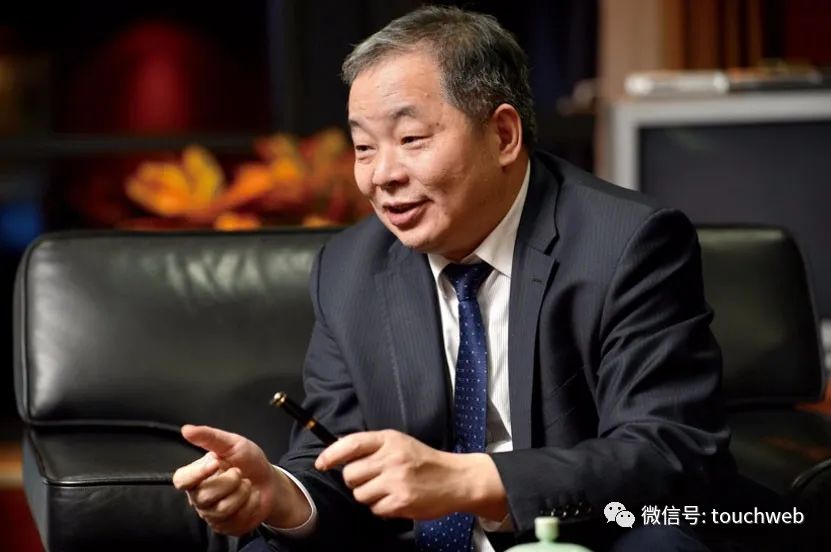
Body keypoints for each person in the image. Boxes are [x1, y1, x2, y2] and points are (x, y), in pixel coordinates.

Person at [173, 6, 740, 551]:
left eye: (411, 140)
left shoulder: (625, 243)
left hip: (577, 537)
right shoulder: (349, 269)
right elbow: (337, 456)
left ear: (503, 135)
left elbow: (669, 449)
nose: (381, 175)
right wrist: (280, 496)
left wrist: (471, 480)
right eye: (364, 147)